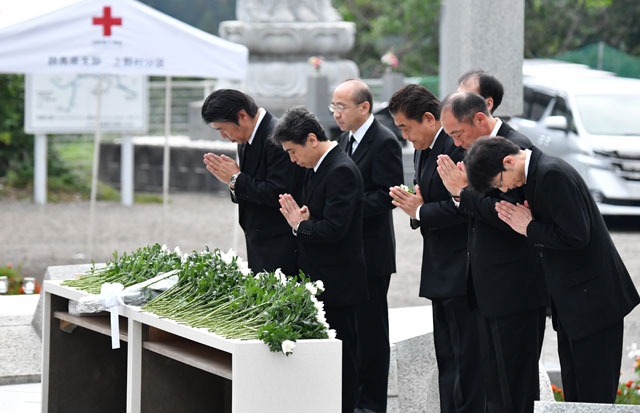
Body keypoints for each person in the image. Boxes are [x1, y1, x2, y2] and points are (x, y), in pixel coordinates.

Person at [464, 136, 640, 403]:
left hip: (594, 305)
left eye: (499, 183)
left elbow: (577, 235)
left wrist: (528, 228)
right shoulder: (535, 175)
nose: (504, 189)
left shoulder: (551, 174)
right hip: (572, 306)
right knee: (575, 397)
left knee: (594, 399)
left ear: (508, 162)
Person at [436, 91, 547, 413]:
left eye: (458, 133)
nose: (456, 143)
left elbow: (509, 216)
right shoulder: (479, 150)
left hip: (515, 288)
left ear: (480, 119)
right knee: (493, 386)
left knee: (515, 386)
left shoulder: (515, 149)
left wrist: (463, 193)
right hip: (488, 289)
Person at [387, 84, 484, 412]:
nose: (405, 136)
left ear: (429, 119)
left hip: (463, 270)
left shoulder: (457, 147)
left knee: (467, 361)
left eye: (406, 127)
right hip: (438, 267)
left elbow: (465, 208)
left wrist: (420, 211)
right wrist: (416, 207)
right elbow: (427, 201)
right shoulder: (422, 148)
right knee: (447, 357)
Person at [272, 106, 366, 413]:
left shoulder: (340, 169)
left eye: (293, 151)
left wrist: (300, 226)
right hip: (321, 278)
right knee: (324, 360)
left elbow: (336, 229)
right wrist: (307, 218)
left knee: (342, 361)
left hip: (338, 284)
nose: (292, 160)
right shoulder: (318, 167)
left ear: (312, 140)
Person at [331, 79, 403, 413]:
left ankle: (373, 404)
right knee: (351, 329)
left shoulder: (384, 141)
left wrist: (346, 206)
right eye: (333, 107)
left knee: (372, 331)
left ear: (364, 107)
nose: (336, 114)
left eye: (341, 107)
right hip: (348, 251)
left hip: (372, 252)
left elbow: (388, 195)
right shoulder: (344, 139)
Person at [201, 89, 303, 275]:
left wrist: (235, 178)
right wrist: (233, 181)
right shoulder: (245, 137)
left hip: (280, 241)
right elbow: (245, 184)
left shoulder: (277, 137)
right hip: (258, 238)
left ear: (242, 116)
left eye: (222, 128)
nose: (223, 135)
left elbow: (279, 193)